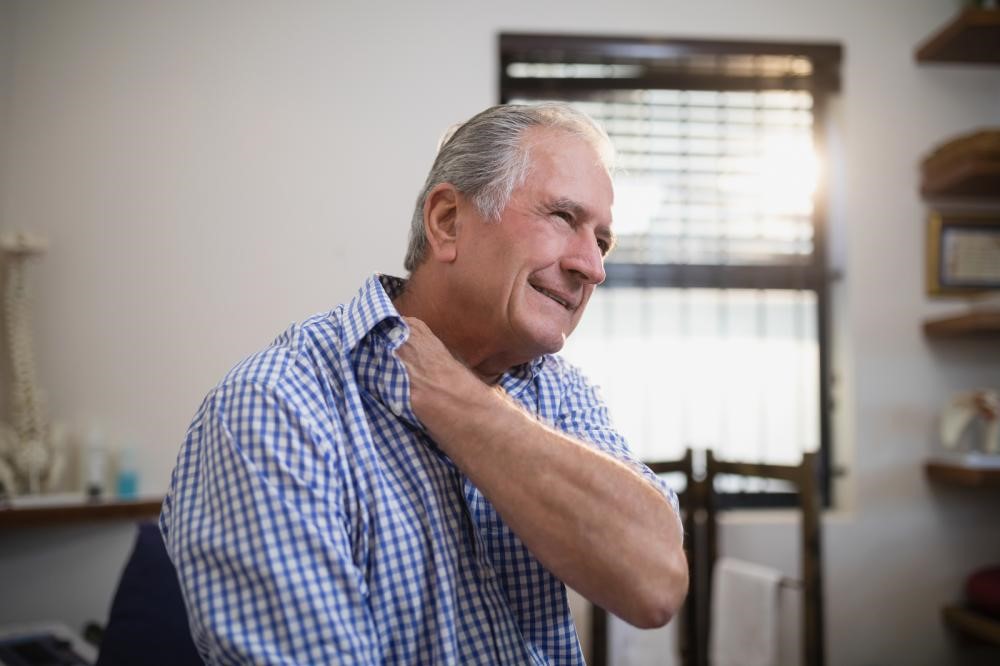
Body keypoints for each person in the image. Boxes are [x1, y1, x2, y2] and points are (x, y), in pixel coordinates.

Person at [160, 102, 688, 664]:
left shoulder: (558, 391)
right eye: (563, 217)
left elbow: (654, 585)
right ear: (446, 222)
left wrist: (458, 398)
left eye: (602, 242)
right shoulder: (275, 405)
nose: (593, 267)